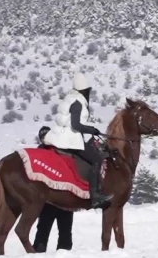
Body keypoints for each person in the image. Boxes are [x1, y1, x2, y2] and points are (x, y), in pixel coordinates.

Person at [43, 74, 111, 209]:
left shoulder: (69, 99)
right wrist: (91, 129)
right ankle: (95, 196)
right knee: (96, 159)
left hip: (61, 136)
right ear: (84, 91)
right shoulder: (78, 103)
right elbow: (76, 125)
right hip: (70, 140)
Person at [32, 126, 73, 251]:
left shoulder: (62, 150)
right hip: (48, 199)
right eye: (43, 137)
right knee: (43, 227)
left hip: (64, 196)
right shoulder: (40, 154)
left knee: (65, 228)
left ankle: (64, 251)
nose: (46, 139)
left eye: (47, 136)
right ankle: (39, 249)